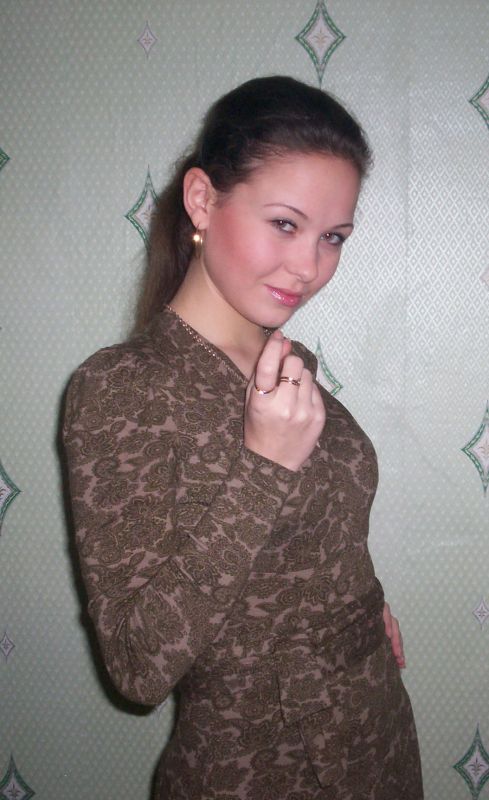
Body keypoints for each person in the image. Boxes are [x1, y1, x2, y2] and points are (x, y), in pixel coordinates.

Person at [63, 76, 423, 799]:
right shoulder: (122, 387)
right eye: (285, 224)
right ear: (202, 200)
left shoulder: (287, 366)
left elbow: (304, 538)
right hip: (255, 770)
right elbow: (137, 667)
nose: (309, 266)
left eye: (332, 238)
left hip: (377, 742)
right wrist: (263, 467)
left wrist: (354, 599)